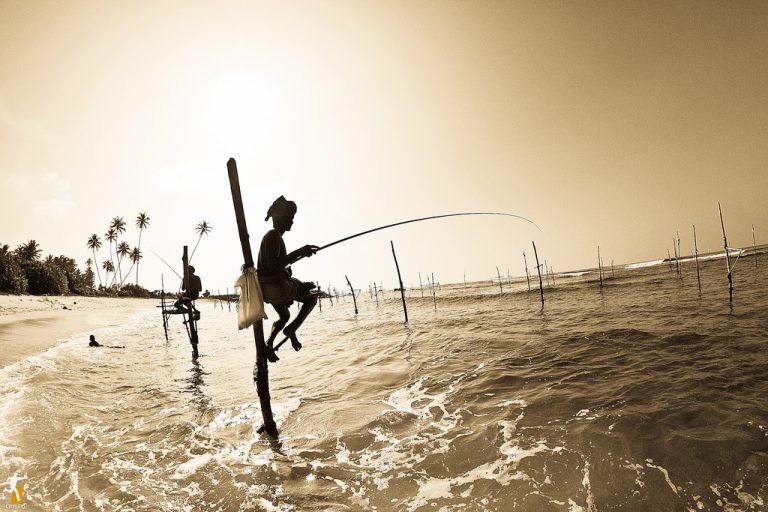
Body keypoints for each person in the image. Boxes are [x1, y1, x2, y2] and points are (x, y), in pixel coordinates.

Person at [258, 195, 319, 362]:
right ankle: (292, 329)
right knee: (311, 299)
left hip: (270, 290)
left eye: (292, 217)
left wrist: (287, 271)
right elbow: (272, 266)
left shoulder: (274, 237)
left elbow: (274, 267)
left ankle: (269, 343)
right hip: (277, 288)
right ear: (278, 217)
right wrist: (300, 252)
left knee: (284, 316)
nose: (292, 221)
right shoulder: (273, 235)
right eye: (289, 217)